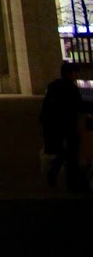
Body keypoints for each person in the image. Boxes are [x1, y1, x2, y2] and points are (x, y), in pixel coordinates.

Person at [40, 60, 88, 192]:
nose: (76, 76)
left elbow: (46, 106)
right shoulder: (71, 88)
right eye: (75, 73)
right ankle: (71, 181)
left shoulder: (53, 86)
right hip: (67, 124)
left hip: (53, 124)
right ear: (69, 73)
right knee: (72, 151)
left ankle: (55, 171)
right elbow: (79, 106)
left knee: (63, 150)